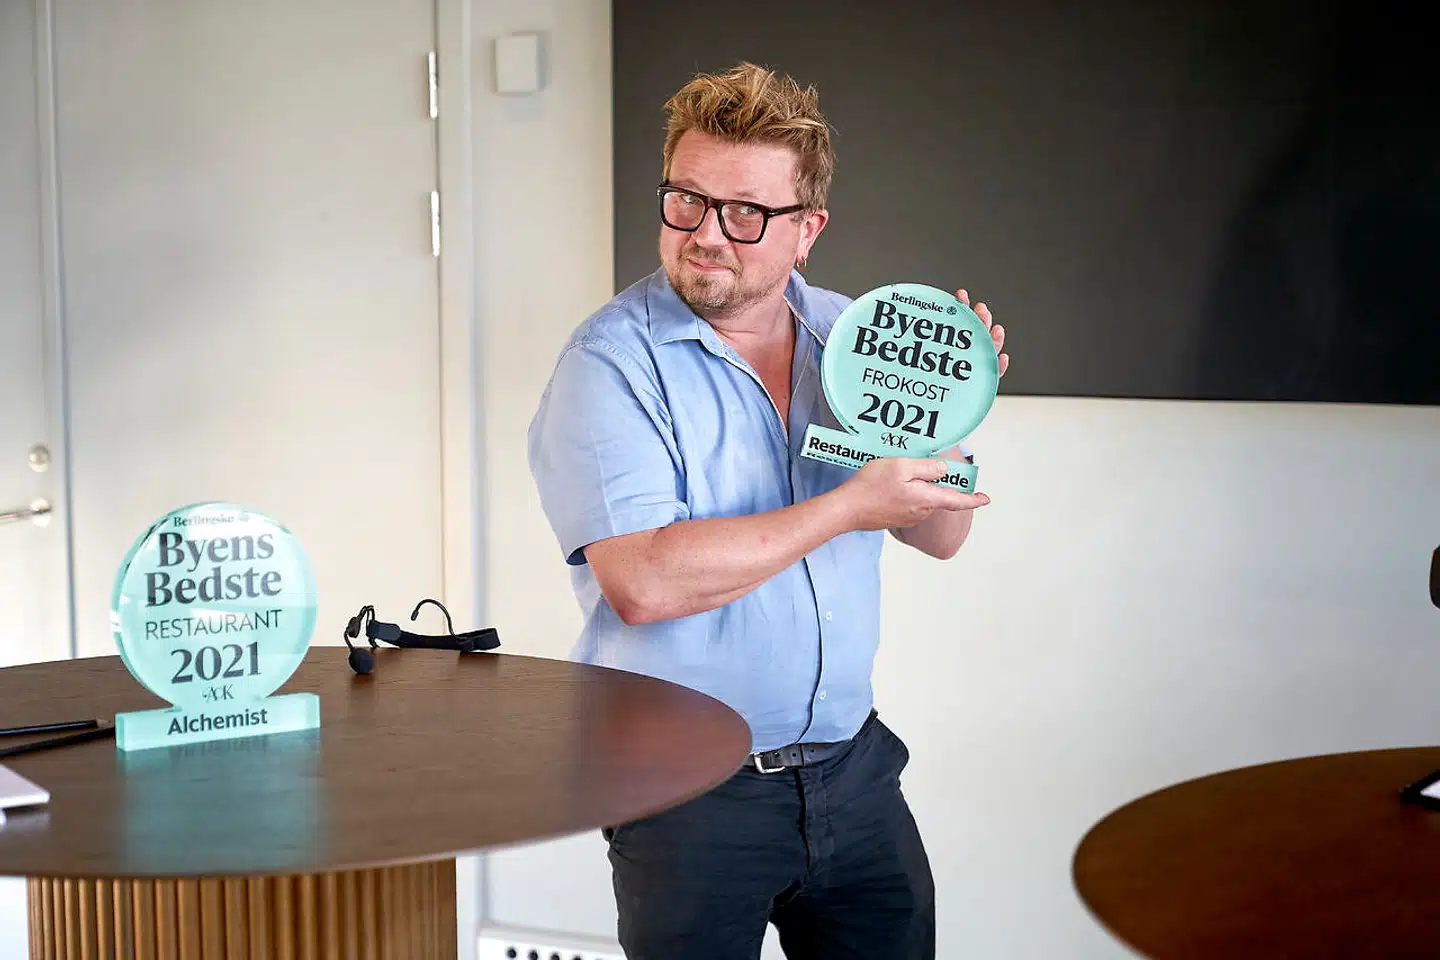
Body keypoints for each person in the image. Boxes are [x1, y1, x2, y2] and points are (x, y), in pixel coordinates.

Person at [527, 61, 1009, 960]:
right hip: (683, 797)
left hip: (853, 773)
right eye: (687, 200)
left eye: (745, 212)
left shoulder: (852, 337)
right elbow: (642, 583)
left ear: (807, 229)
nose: (707, 235)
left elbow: (941, 534)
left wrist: (949, 416)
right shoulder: (609, 365)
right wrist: (848, 507)